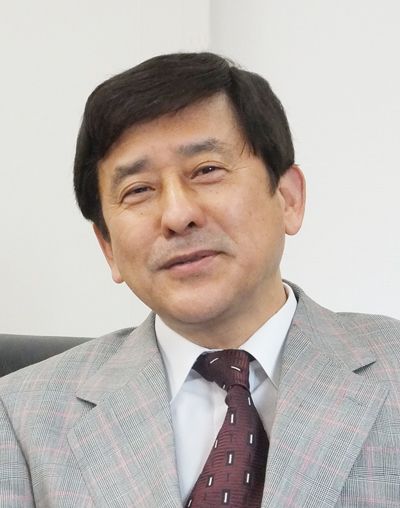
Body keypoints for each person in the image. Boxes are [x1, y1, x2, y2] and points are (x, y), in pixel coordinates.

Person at [0, 52, 399, 508]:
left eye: (207, 171)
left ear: (288, 198)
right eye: (138, 190)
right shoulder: (20, 416)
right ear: (108, 246)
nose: (177, 215)